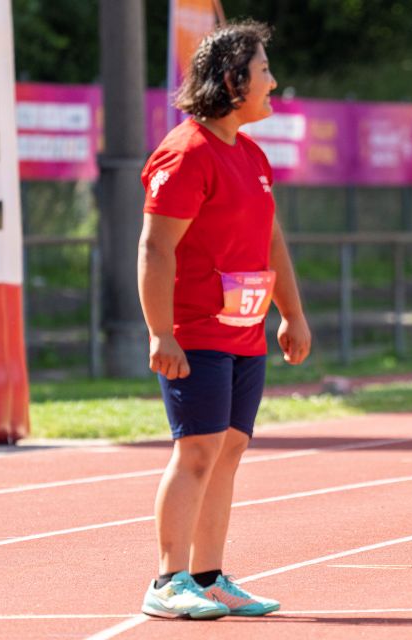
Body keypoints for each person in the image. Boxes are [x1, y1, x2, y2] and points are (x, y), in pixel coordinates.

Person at [137, 21, 311, 618]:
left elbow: (271, 238)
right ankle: (168, 581)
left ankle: (208, 577)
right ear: (234, 81)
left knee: (230, 448)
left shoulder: (252, 154)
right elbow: (155, 247)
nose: (273, 83)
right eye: (264, 72)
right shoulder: (185, 153)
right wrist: (161, 332)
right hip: (196, 332)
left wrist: (292, 313)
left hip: (246, 332)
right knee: (197, 451)